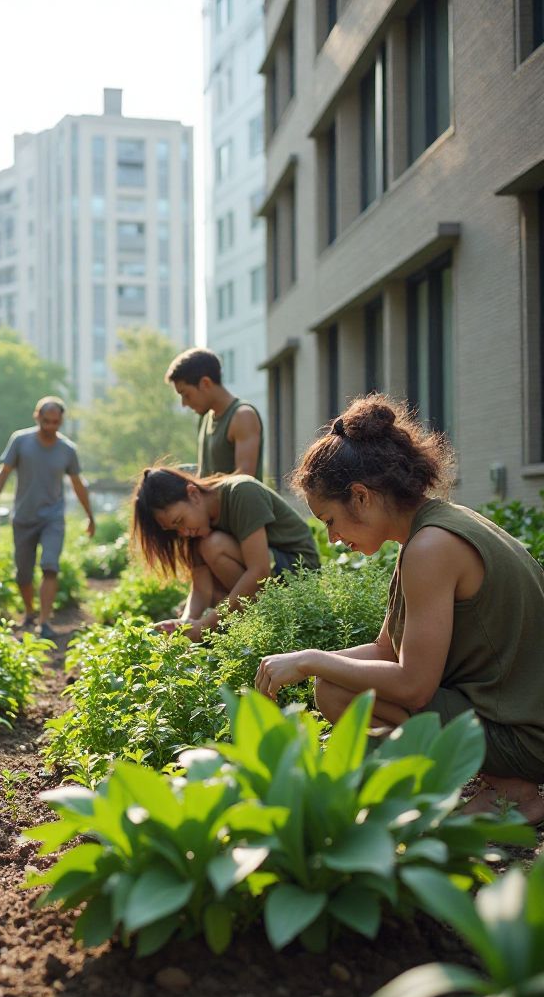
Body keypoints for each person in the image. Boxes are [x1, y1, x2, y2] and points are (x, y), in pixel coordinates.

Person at [254, 395, 544, 824]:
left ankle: (511, 791)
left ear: (361, 496)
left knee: (337, 689)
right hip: (514, 720)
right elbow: (388, 650)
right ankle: (452, 786)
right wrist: (300, 662)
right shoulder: (433, 529)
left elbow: (413, 686)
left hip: (526, 739)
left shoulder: (431, 547)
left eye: (329, 520)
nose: (332, 538)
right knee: (331, 686)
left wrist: (314, 660)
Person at [132, 467, 319, 641]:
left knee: (213, 545)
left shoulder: (242, 492)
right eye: (173, 529)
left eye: (180, 521)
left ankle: (262, 619)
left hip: (298, 572)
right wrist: (184, 625)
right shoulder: (197, 529)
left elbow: (259, 572)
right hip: (269, 580)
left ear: (193, 494)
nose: (182, 532)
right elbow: (201, 589)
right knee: (210, 561)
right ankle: (250, 620)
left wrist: (205, 627)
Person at [0, 396, 95, 639]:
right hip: (23, 517)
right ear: (37, 417)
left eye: (56, 422)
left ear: (61, 421)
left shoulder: (67, 450)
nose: (51, 427)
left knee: (50, 566)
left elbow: (78, 484)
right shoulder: (20, 441)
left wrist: (90, 516)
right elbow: (3, 473)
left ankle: (44, 622)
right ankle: (30, 612)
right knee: (23, 573)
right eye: (46, 421)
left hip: (52, 517)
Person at [165, 348, 264, 478]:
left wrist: (200, 488)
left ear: (205, 383)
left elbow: (244, 480)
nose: (184, 404)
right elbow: (204, 475)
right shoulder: (205, 417)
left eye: (186, 394)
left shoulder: (243, 416)